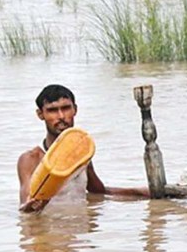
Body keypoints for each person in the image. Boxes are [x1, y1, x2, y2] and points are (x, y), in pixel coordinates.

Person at [18, 84, 149, 212]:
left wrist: (142, 193)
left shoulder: (82, 154)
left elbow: (99, 193)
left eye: (66, 108)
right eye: (52, 110)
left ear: (75, 109)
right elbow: (26, 205)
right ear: (40, 114)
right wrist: (30, 208)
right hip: (50, 231)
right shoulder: (32, 159)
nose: (61, 116)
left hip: (81, 231)